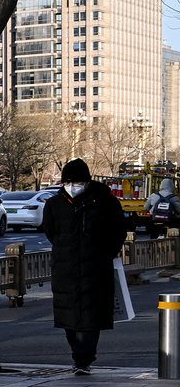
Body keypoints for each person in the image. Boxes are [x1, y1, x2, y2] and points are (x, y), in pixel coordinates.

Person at [40, 158, 128, 375]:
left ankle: (84, 360)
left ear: (87, 182)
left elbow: (119, 232)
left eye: (77, 182)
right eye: (68, 182)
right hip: (65, 270)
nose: (72, 186)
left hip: (96, 269)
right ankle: (79, 356)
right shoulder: (55, 204)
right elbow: (51, 232)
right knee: (69, 320)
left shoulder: (106, 202)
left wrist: (104, 253)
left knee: (91, 319)